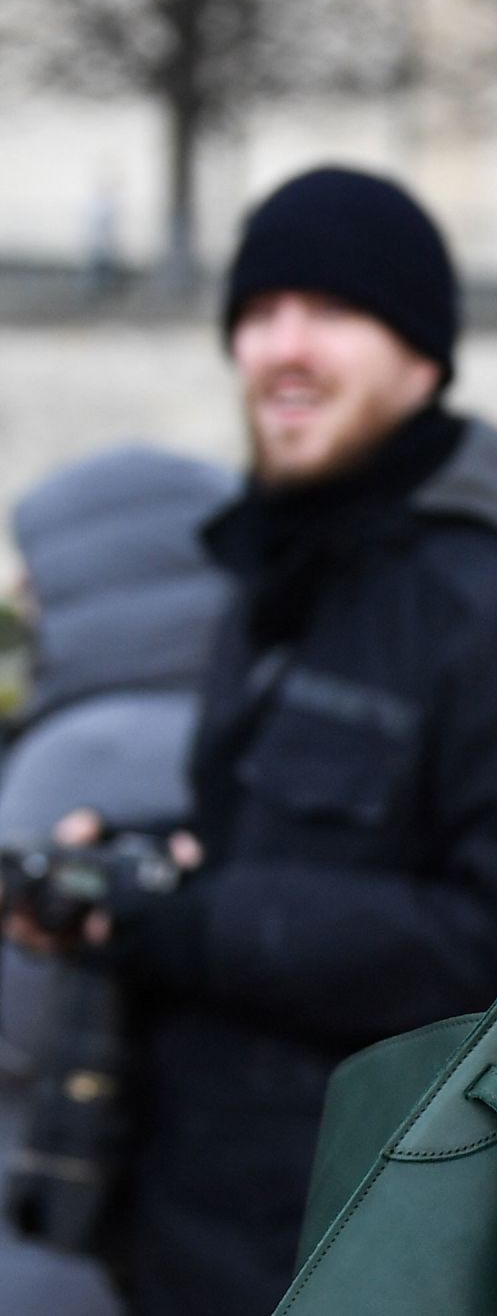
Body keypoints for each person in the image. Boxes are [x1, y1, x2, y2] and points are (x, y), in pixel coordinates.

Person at [4, 165, 497, 1316]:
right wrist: (137, 873)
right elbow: (293, 848)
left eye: (333, 311)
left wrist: (199, 921)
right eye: (258, 311)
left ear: (422, 355)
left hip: (364, 1253)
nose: (283, 347)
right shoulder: (282, 571)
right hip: (197, 1236)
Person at [0, 445, 235, 1316]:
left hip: (52, 1195)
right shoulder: (226, 727)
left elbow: (16, 1013)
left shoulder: (84, 751)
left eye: (45, 570)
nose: (24, 592)